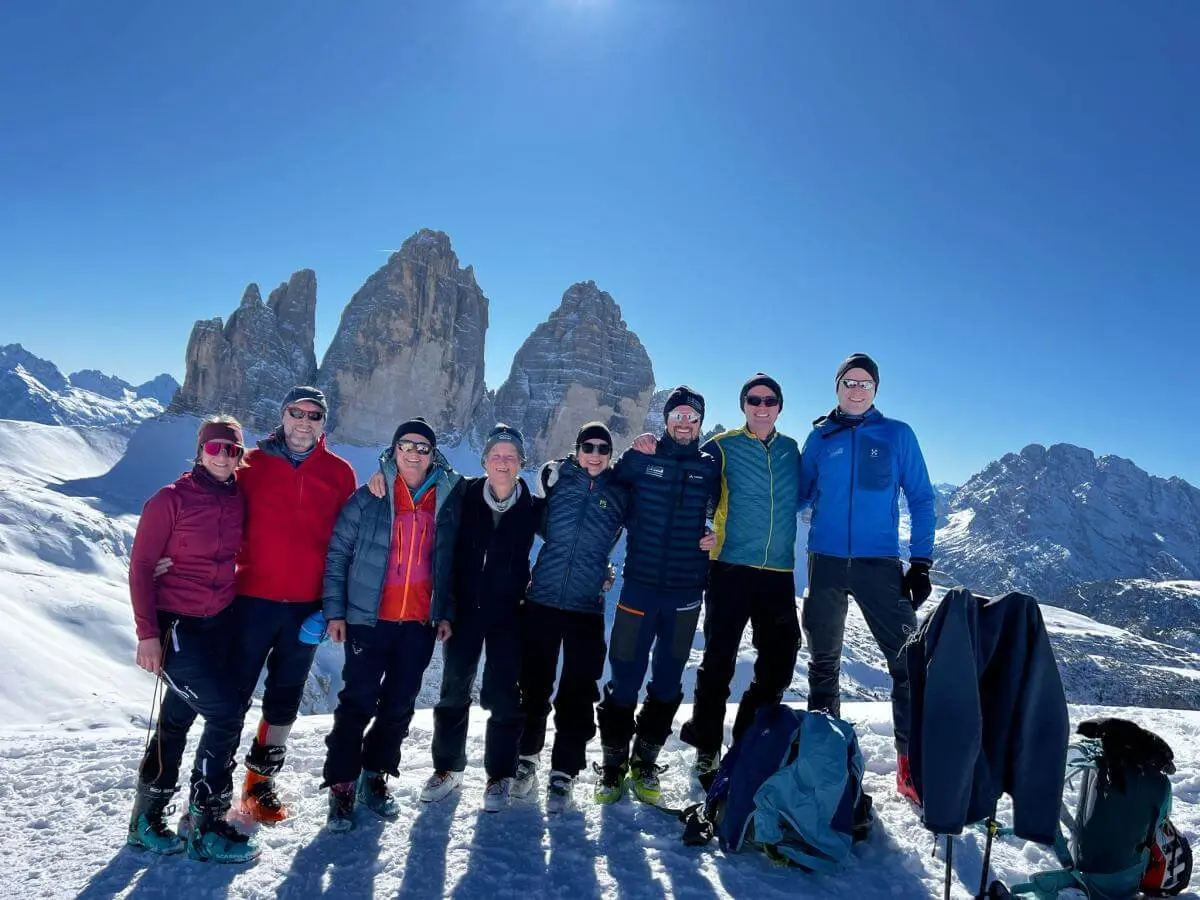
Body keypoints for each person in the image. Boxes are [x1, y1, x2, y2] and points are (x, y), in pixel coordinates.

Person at [797, 353, 936, 804]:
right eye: (848, 382)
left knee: (908, 664)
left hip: (880, 564)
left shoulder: (897, 435)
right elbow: (795, 496)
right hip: (826, 562)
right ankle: (826, 757)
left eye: (865, 383)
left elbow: (921, 498)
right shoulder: (820, 437)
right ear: (836, 387)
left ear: (875, 390)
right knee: (823, 663)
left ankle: (910, 764)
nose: (856, 390)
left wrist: (920, 562)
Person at [126, 417, 259, 864]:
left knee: (177, 720)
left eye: (232, 449)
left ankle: (147, 821)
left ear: (240, 455)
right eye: (215, 447)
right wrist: (147, 634)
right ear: (200, 450)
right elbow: (142, 567)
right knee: (226, 713)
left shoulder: (236, 497)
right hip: (176, 629)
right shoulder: (170, 499)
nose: (223, 456)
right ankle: (206, 823)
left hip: (218, 625)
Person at [321, 418, 463, 832]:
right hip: (369, 620)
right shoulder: (369, 497)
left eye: (423, 447)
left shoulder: (447, 499)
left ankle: (376, 775)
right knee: (356, 704)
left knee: (399, 707)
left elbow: (450, 562)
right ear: (394, 449)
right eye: (407, 445)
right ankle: (342, 784)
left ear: (433, 453)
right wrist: (335, 611)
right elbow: (338, 555)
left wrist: (445, 611)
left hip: (418, 624)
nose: (414, 453)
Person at [229, 385, 356, 822]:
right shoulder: (251, 463)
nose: (304, 422)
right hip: (250, 602)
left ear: (324, 423)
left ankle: (258, 786)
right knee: (232, 696)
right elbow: (218, 516)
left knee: (284, 700)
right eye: (296, 413)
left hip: (305, 609)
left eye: (314, 416)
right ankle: (210, 790)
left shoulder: (339, 473)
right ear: (282, 415)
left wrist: (329, 608)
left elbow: (345, 546)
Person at [670, 374, 802, 775]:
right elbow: (684, 470)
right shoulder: (722, 446)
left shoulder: (792, 451)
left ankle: (748, 735)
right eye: (754, 400)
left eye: (770, 401)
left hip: (778, 571)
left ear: (780, 406)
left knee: (781, 658)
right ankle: (706, 743)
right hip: (729, 568)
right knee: (718, 659)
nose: (762, 407)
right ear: (743, 405)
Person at [595, 386, 720, 805]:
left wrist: (715, 533)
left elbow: (721, 513)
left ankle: (644, 762)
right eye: (678, 415)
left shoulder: (710, 468)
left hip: (686, 595)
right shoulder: (640, 458)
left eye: (692, 417)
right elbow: (605, 491)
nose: (684, 423)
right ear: (665, 420)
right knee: (625, 676)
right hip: (639, 590)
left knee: (668, 679)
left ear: (700, 424)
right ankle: (612, 769)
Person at [420, 424, 544, 812]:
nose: (503, 462)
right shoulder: (465, 494)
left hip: (509, 612)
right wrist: (444, 607)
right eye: (496, 455)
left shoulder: (533, 506)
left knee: (504, 694)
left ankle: (500, 774)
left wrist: (604, 567)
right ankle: (448, 768)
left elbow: (572, 537)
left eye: (510, 456)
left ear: (522, 463)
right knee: (454, 690)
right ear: (485, 460)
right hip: (465, 611)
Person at [512, 422, 629, 813]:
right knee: (533, 682)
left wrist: (607, 571)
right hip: (542, 598)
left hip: (586, 606)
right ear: (576, 449)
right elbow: (531, 521)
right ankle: (526, 757)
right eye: (588, 447)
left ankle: (564, 770)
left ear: (611, 454)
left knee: (578, 690)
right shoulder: (556, 480)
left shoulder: (619, 492)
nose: (595, 455)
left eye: (603, 449)